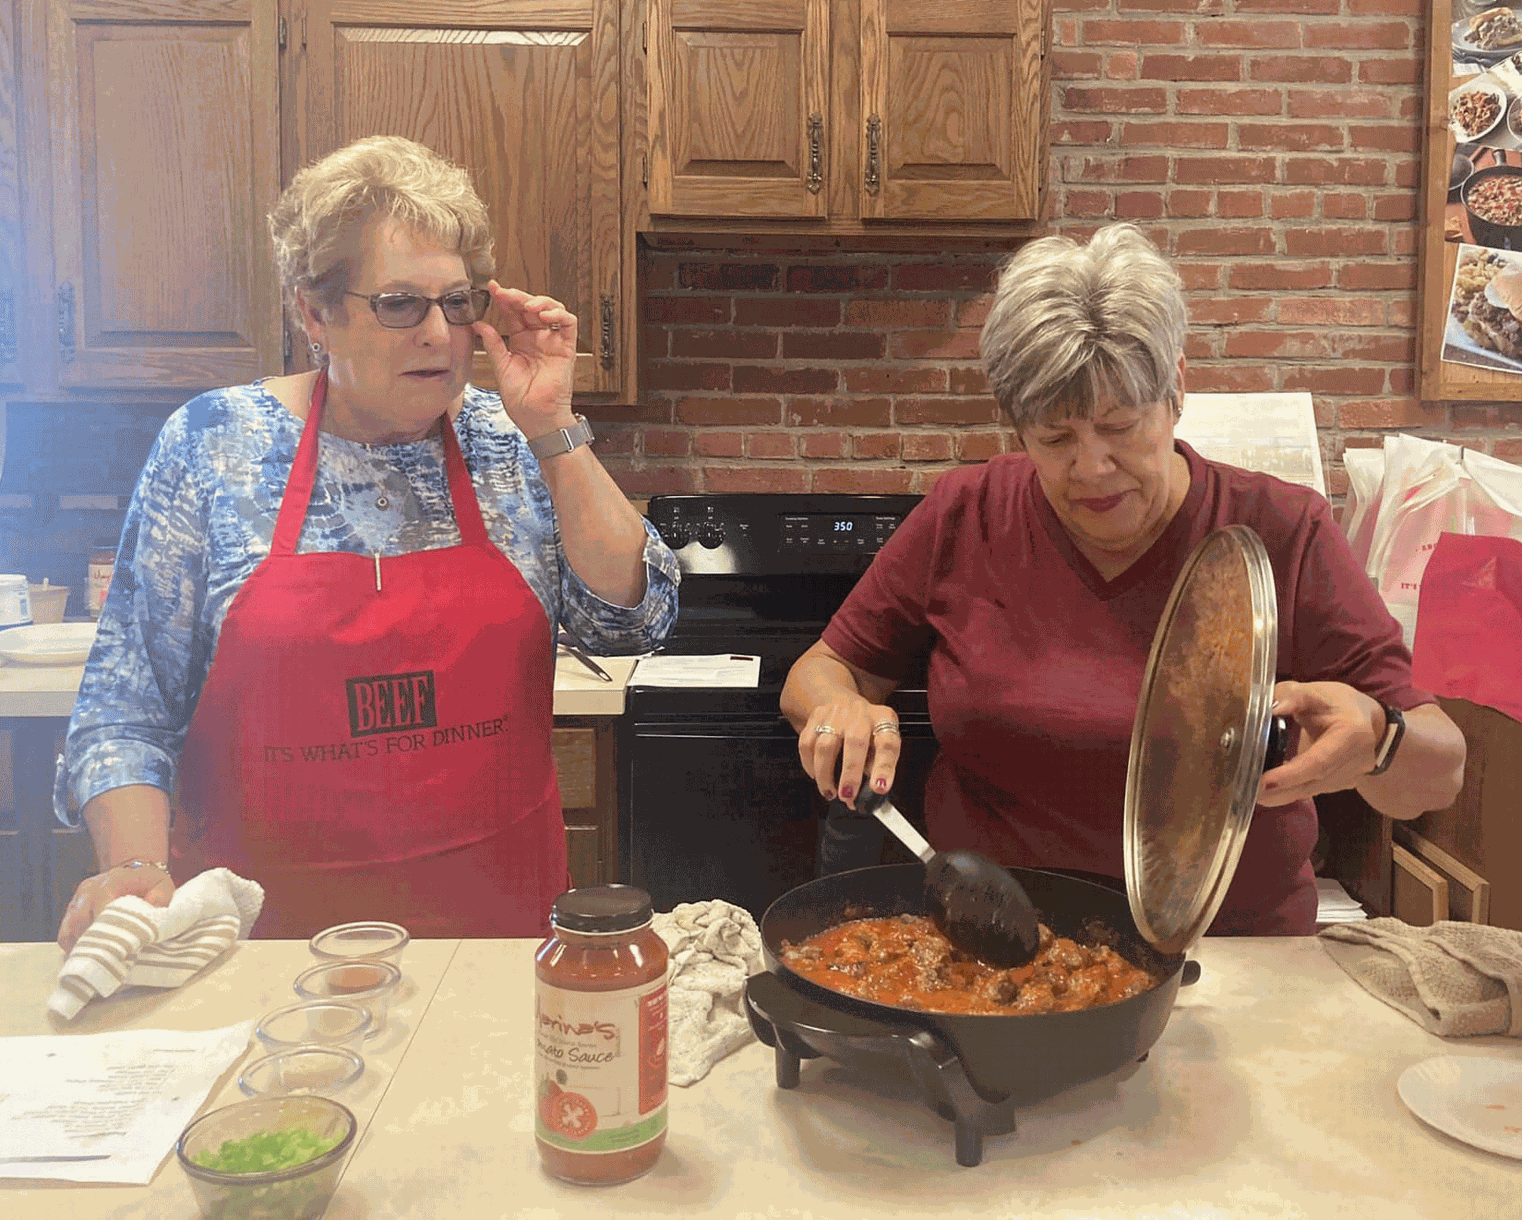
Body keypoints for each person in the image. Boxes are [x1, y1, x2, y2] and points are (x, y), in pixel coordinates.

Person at [56, 135, 678, 947]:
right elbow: (125, 712)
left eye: (457, 303)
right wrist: (132, 869)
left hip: (491, 949)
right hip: (259, 957)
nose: (437, 334)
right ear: (313, 311)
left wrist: (555, 427)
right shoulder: (215, 448)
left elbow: (633, 624)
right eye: (399, 304)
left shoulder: (508, 445)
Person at [781, 222, 1466, 937]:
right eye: (1055, 438)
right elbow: (821, 672)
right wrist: (838, 709)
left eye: (1122, 426)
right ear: (1017, 429)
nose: (1093, 467)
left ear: (1175, 391)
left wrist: (1381, 740)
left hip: (1228, 954)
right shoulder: (966, 514)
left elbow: (1439, 770)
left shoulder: (1284, 530)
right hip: (997, 940)